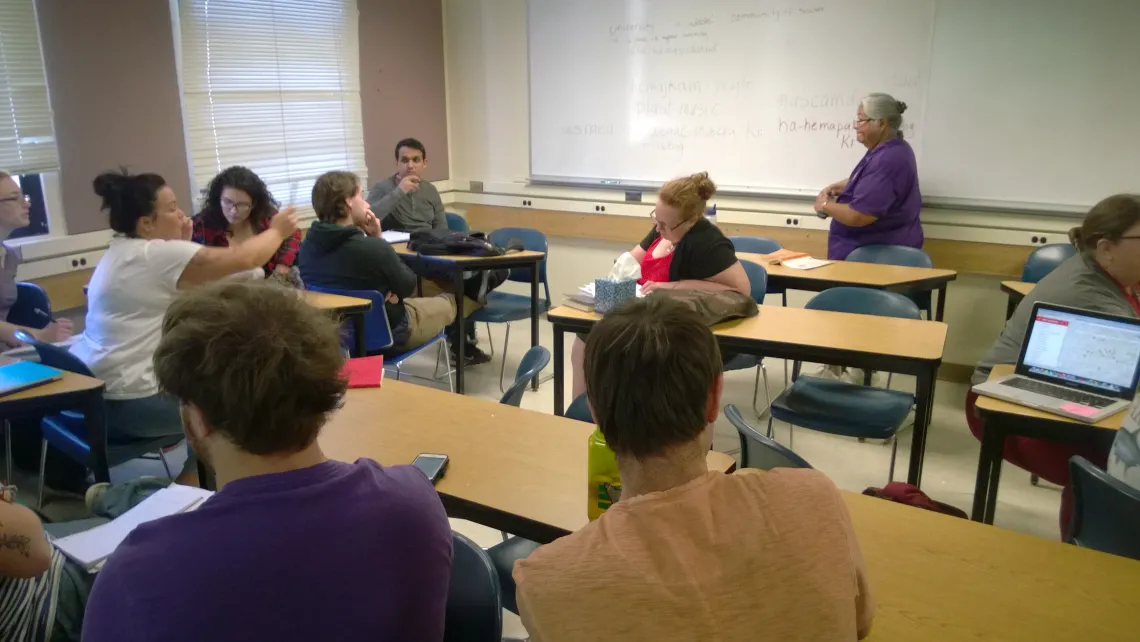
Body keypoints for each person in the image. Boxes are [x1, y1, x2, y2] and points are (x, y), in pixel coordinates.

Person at [82, 281, 453, 642]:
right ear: (323, 391)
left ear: (196, 419)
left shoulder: (137, 577)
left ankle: (114, 497)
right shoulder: (415, 502)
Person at [514, 297, 874, 641]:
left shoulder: (547, 583)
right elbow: (860, 622)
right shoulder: (815, 499)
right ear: (714, 397)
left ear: (594, 411)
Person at [70, 170, 299, 484]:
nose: (181, 214)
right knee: (233, 407)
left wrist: (178, 243)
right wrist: (278, 231)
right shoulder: (156, 254)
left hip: (100, 397)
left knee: (214, 390)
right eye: (172, 207)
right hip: (133, 403)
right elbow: (247, 259)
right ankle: (191, 489)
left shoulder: (121, 253)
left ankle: (190, 486)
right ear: (147, 223)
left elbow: (185, 286)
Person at [970, 194, 1140, 535]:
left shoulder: (1103, 271)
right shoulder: (1092, 294)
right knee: (1111, 469)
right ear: (1107, 248)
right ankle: (1086, 555)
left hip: (1050, 390)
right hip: (1004, 408)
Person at [570, 171, 749, 399]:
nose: (658, 228)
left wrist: (672, 286)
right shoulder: (663, 228)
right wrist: (617, 276)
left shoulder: (707, 241)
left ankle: (617, 417)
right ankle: (579, 416)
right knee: (586, 337)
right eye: (656, 219)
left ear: (691, 220)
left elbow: (741, 291)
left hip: (675, 329)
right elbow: (629, 263)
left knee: (608, 347)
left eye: (665, 225)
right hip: (645, 315)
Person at [298, 170, 460, 355]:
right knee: (452, 301)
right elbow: (408, 286)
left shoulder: (306, 248)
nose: (366, 203)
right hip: (390, 333)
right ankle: (464, 347)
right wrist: (378, 238)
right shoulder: (373, 247)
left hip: (337, 338)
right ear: (348, 201)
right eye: (360, 196)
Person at [0, 478, 168, 641]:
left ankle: (112, 498)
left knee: (144, 497)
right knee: (161, 528)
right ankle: (112, 498)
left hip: (39, 546)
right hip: (40, 603)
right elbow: (39, 559)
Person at [815, 93, 923, 261]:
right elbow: (869, 181)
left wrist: (825, 205)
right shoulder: (888, 150)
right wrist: (838, 187)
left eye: (861, 121)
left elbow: (860, 215)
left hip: (875, 260)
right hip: (868, 255)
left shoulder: (888, 159)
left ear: (881, 123)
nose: (855, 126)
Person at [190, 165, 303, 281]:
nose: (233, 211)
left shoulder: (266, 218)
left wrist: (283, 264)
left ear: (254, 204)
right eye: (227, 202)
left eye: (243, 204)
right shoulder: (201, 226)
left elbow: (292, 233)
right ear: (218, 198)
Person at [0, 172, 72, 347]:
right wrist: (39, 335)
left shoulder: (9, 256)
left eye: (23, 197)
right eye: (15, 198)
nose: (27, 203)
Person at [367, 138, 447, 233]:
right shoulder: (382, 187)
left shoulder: (430, 189)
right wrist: (399, 191)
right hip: (397, 242)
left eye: (416, 160)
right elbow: (368, 219)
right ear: (397, 163)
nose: (410, 166)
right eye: (405, 160)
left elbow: (441, 226)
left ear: (424, 163)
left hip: (426, 242)